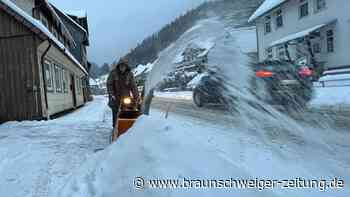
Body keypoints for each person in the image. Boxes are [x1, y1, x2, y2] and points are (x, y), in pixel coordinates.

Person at [107, 58, 139, 128]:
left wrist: (136, 97)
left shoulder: (129, 74)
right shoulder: (113, 73)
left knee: (128, 111)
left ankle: (127, 127)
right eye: (121, 66)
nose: (122, 67)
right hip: (115, 97)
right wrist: (112, 94)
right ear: (118, 66)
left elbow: (133, 86)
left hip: (126, 97)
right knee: (115, 112)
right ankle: (115, 127)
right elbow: (109, 84)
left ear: (126, 66)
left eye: (124, 66)